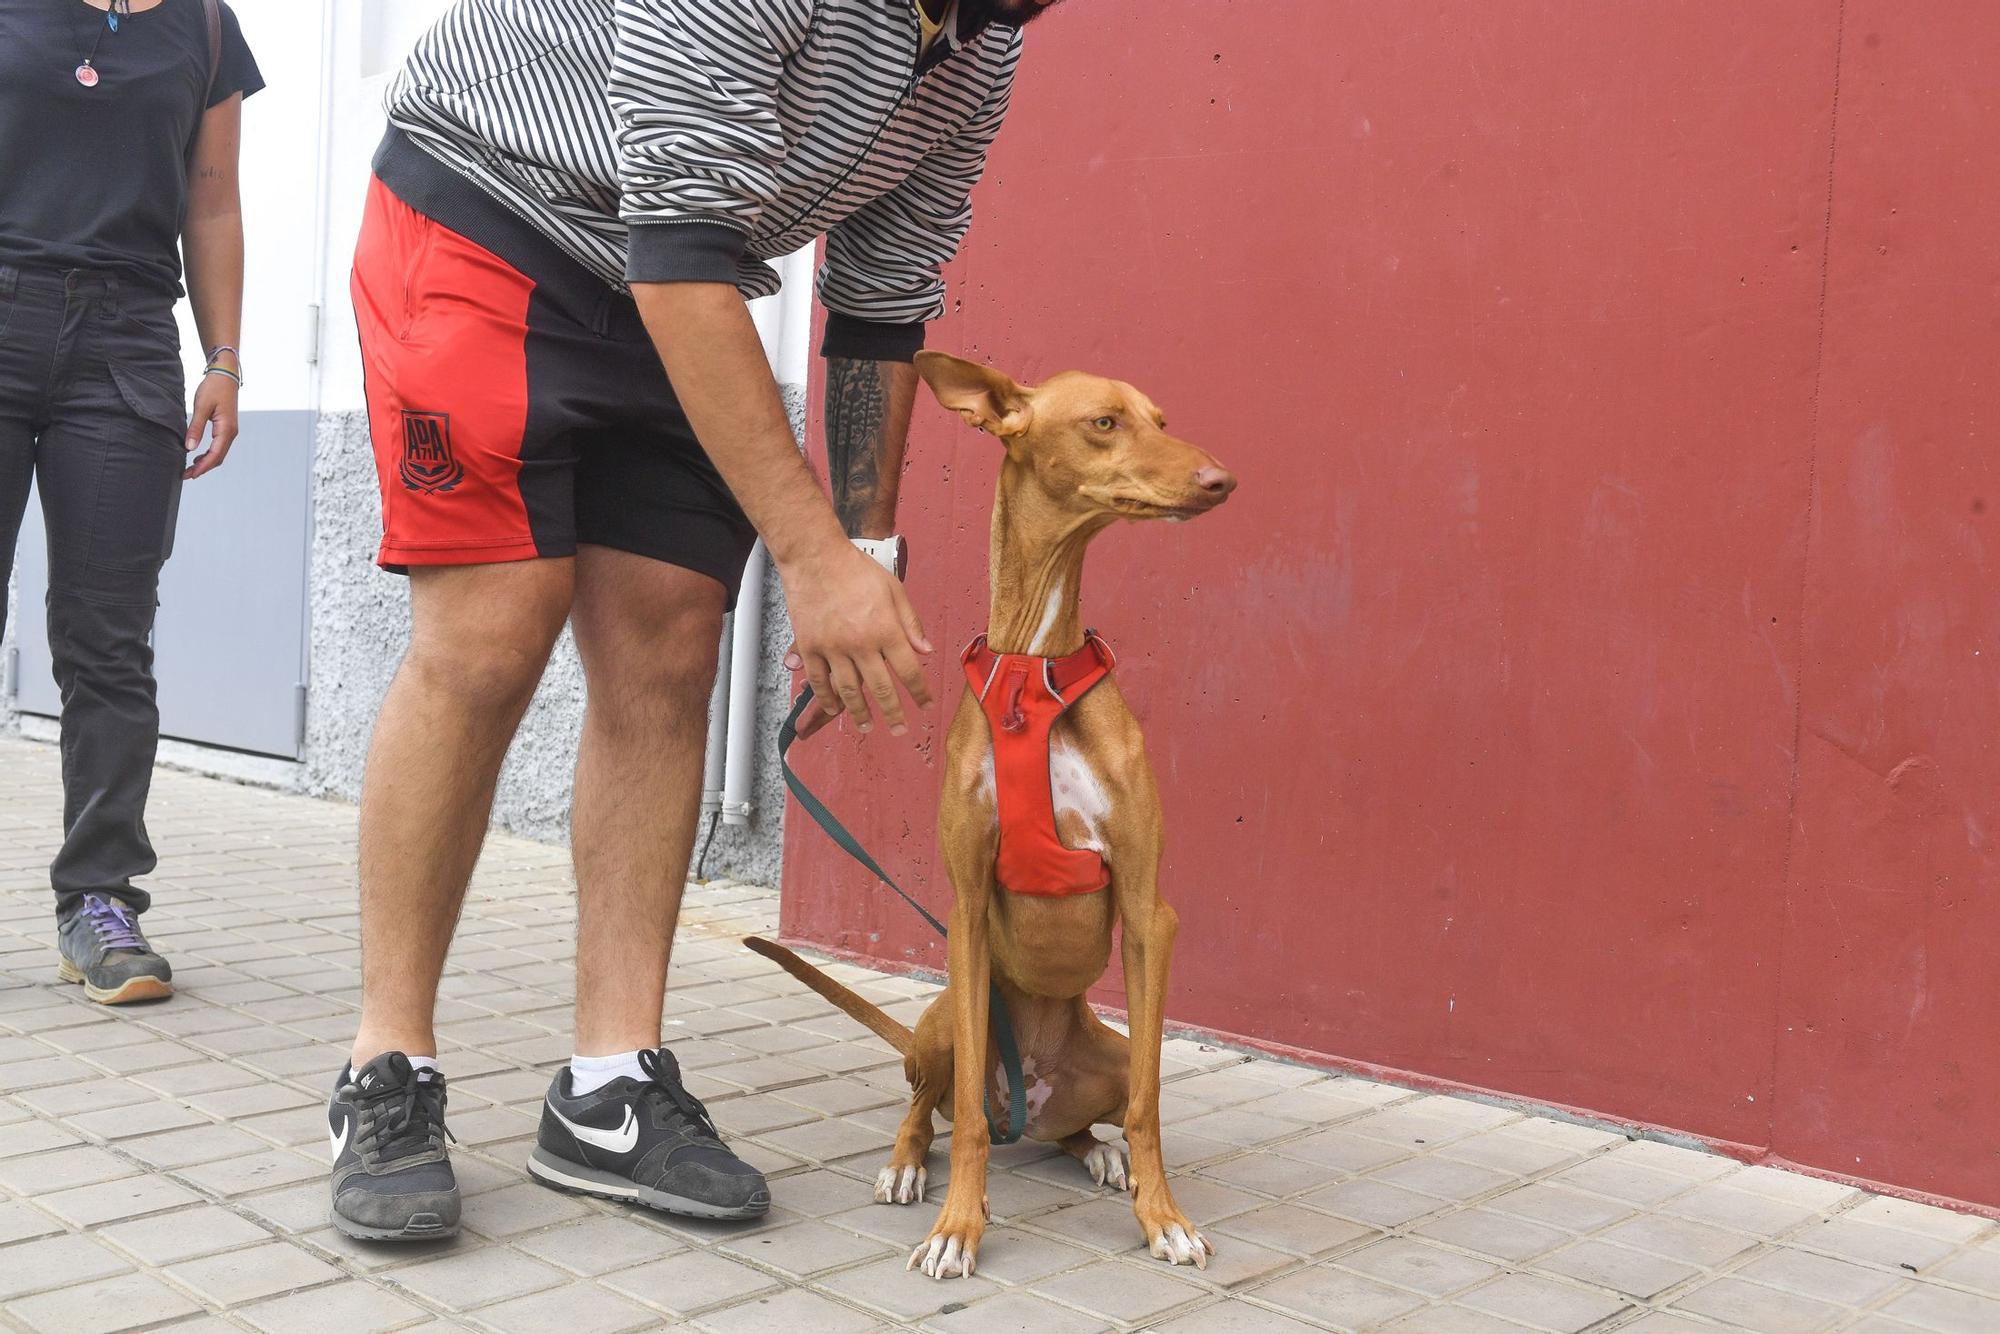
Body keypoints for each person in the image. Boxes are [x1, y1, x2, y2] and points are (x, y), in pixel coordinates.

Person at [326, 0, 1065, 1241]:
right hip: (490, 218)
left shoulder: (981, 47)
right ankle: (385, 1066)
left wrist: (864, 556)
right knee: (491, 633)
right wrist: (811, 556)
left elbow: (883, 292)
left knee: (671, 641)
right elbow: (673, 234)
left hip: (683, 274)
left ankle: (609, 1085)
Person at [0, 0, 262, 1005]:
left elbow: (214, 199)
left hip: (126, 343)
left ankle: (98, 900)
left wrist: (226, 359)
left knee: (108, 640)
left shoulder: (202, 28)